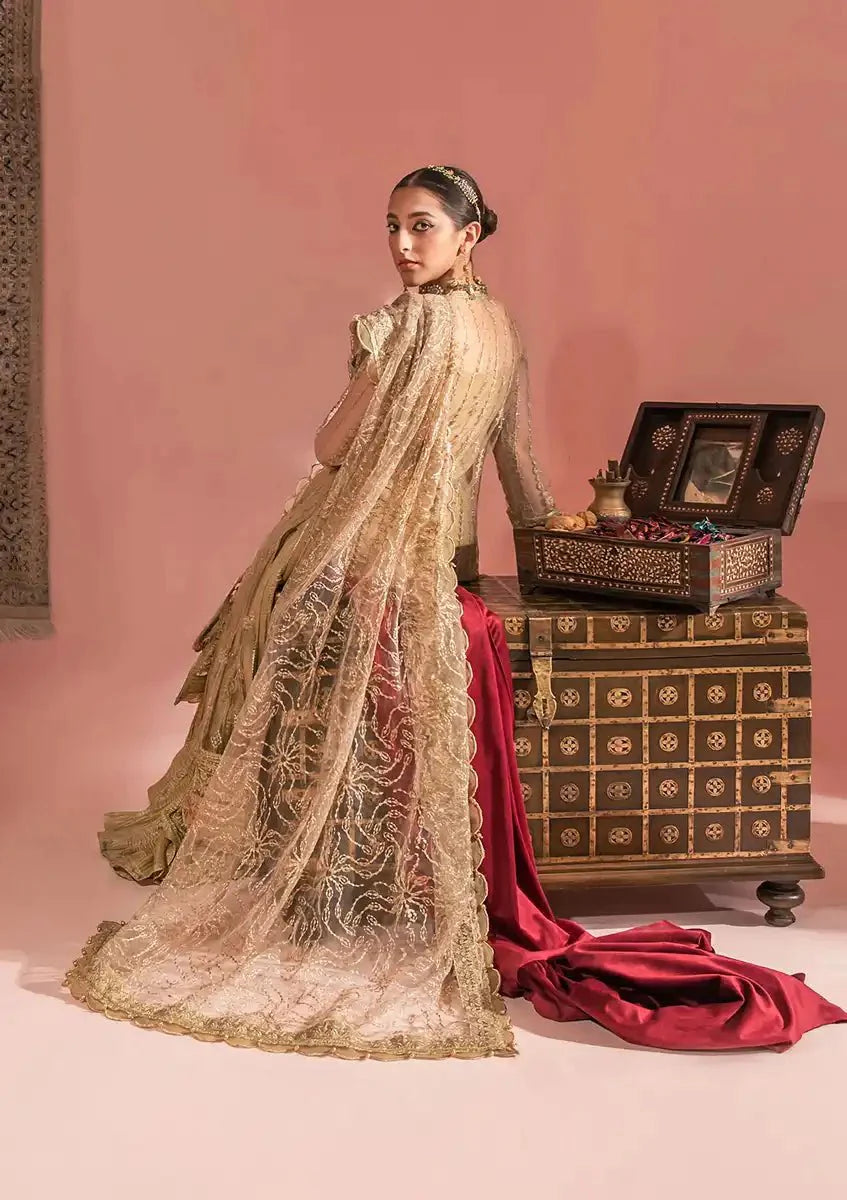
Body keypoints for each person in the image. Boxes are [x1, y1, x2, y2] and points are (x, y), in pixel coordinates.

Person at [65, 166, 845, 1058]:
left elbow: (331, 449)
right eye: (392, 226)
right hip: (444, 564)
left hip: (364, 552)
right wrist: (556, 552)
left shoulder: (398, 326)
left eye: (422, 226)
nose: (402, 246)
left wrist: (370, 361)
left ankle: (312, 858)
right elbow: (516, 462)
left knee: (279, 618)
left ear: (468, 234)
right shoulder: (501, 330)